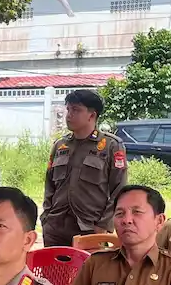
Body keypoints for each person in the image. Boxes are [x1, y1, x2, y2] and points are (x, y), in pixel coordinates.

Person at [41, 89, 128, 247]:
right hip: (55, 227)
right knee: (54, 271)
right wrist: (46, 217)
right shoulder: (60, 145)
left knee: (89, 271)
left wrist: (103, 225)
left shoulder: (111, 146)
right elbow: (49, 185)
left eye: (76, 110)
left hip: (90, 227)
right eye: (68, 109)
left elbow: (119, 189)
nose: (69, 114)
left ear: (92, 115)